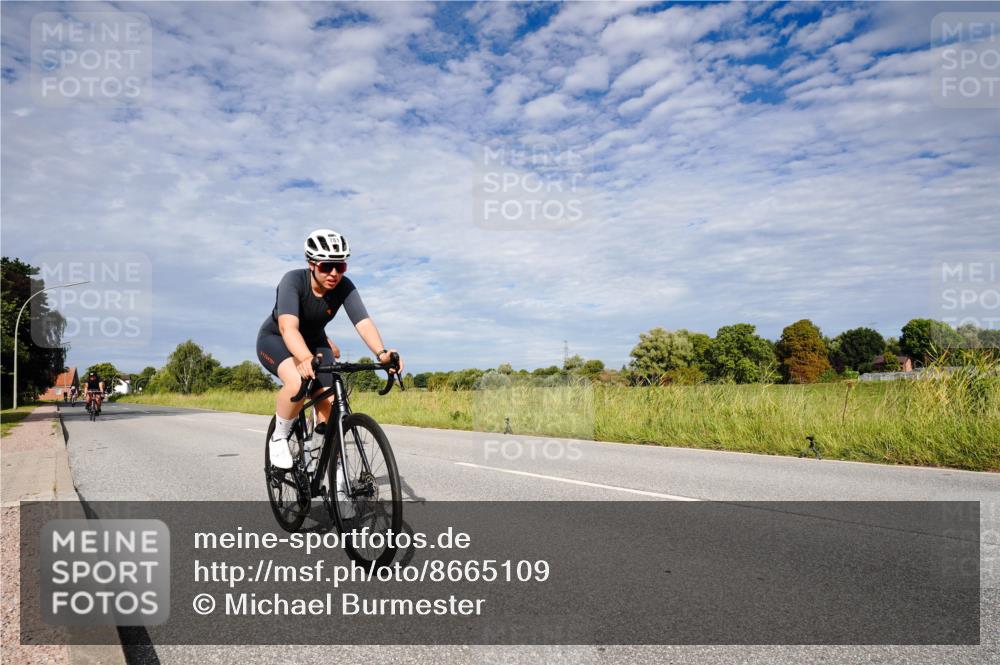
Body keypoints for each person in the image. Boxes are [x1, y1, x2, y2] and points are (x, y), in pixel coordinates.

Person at [256, 229, 403, 471]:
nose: (334, 273)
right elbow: (288, 327)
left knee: (330, 402)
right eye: (326, 267)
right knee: (297, 381)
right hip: (277, 339)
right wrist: (303, 357)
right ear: (311, 264)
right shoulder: (292, 281)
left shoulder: (344, 287)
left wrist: (382, 353)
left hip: (315, 342)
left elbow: (363, 321)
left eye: (340, 266)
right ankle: (279, 436)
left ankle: (324, 459)